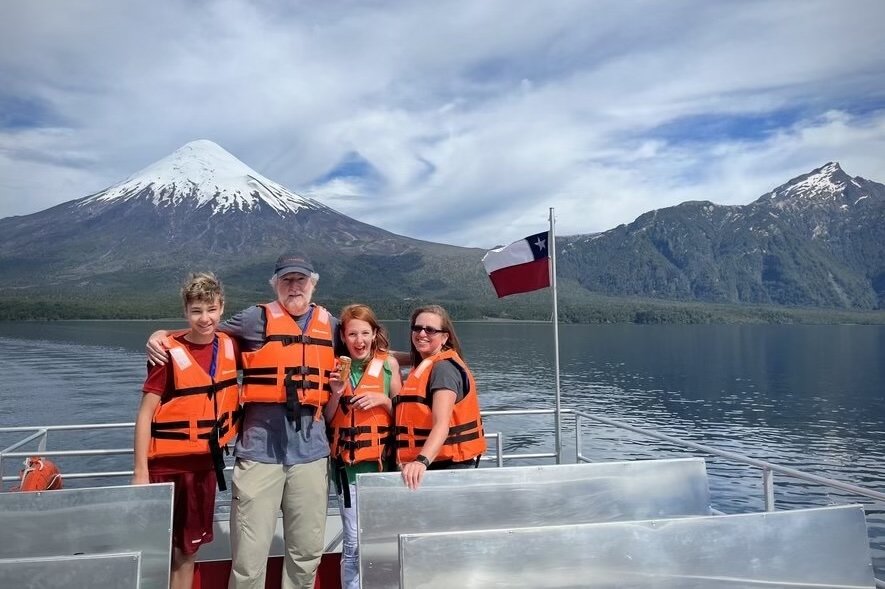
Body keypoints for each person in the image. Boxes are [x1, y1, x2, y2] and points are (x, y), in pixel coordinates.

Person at [146, 253, 337, 589]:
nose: (295, 287)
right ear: (275, 285)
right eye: (287, 280)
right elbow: (204, 328)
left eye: (301, 280)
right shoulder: (253, 319)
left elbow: (370, 350)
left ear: (313, 284)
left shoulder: (331, 325)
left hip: (312, 453)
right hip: (259, 453)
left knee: (306, 554)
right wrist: (160, 334)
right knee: (249, 560)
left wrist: (420, 355)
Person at [133, 272, 240, 589]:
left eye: (210, 310)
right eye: (196, 311)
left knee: (187, 550)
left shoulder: (229, 346)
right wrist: (140, 472)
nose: (204, 318)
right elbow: (145, 415)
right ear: (186, 312)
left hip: (204, 467)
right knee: (159, 550)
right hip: (165, 467)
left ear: (221, 308)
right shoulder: (165, 353)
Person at [323, 304, 402, 589]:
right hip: (349, 471)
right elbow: (329, 419)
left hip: (385, 467)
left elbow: (405, 414)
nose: (359, 340)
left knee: (384, 538)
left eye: (365, 333)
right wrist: (336, 393)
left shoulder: (389, 366)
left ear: (375, 334)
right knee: (354, 542)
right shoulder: (335, 369)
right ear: (343, 337)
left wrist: (384, 401)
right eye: (352, 334)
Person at [395, 304, 487, 490]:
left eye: (430, 330)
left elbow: (442, 424)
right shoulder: (426, 363)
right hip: (432, 463)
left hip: (446, 466)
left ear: (445, 337)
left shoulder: (443, 370)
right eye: (417, 328)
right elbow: (392, 357)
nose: (422, 333)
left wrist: (421, 461)